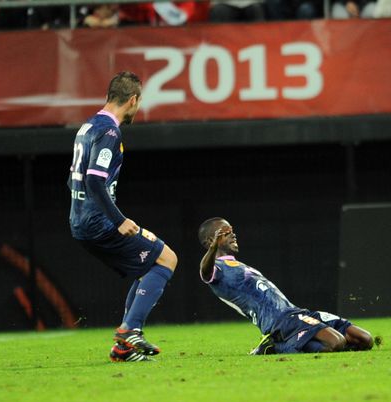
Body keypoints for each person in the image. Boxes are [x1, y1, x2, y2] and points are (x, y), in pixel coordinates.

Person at [68, 71, 178, 362]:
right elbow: (93, 180)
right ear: (133, 100)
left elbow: (74, 181)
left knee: (149, 269)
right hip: (99, 223)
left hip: (80, 220)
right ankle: (130, 330)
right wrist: (118, 220)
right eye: (139, 102)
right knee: (167, 259)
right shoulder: (110, 131)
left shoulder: (88, 126)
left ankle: (123, 349)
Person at [198, 217, 374, 354]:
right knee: (336, 343)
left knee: (365, 340)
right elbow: (205, 273)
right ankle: (275, 346)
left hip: (296, 313)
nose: (233, 234)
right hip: (278, 321)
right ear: (210, 240)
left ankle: (285, 344)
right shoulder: (217, 269)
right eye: (226, 231)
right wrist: (212, 249)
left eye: (232, 230)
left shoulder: (237, 264)